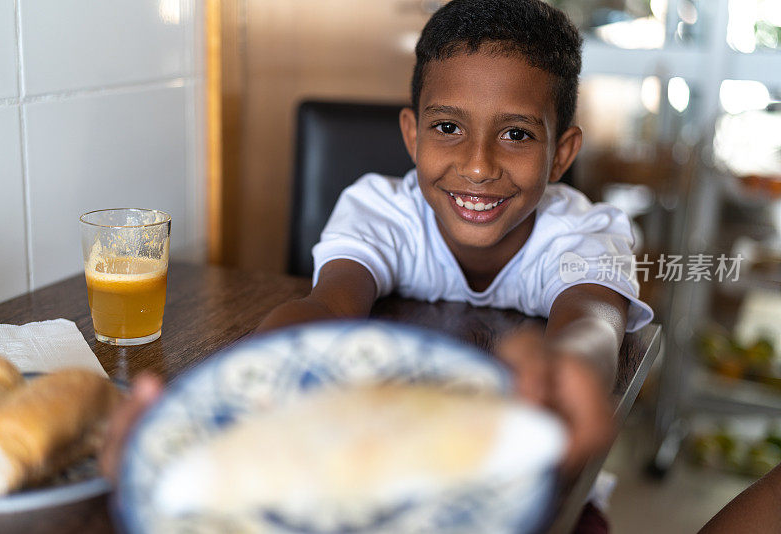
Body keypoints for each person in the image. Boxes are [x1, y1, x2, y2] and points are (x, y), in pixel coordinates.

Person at [101, 0, 653, 524]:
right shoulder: (380, 210)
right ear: (412, 135)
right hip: (373, 467)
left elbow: (593, 323)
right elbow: (327, 304)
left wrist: (567, 368)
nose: (479, 165)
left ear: (561, 153)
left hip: (538, 486)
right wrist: (218, 399)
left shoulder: (585, 231)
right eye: (448, 128)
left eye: (515, 134)